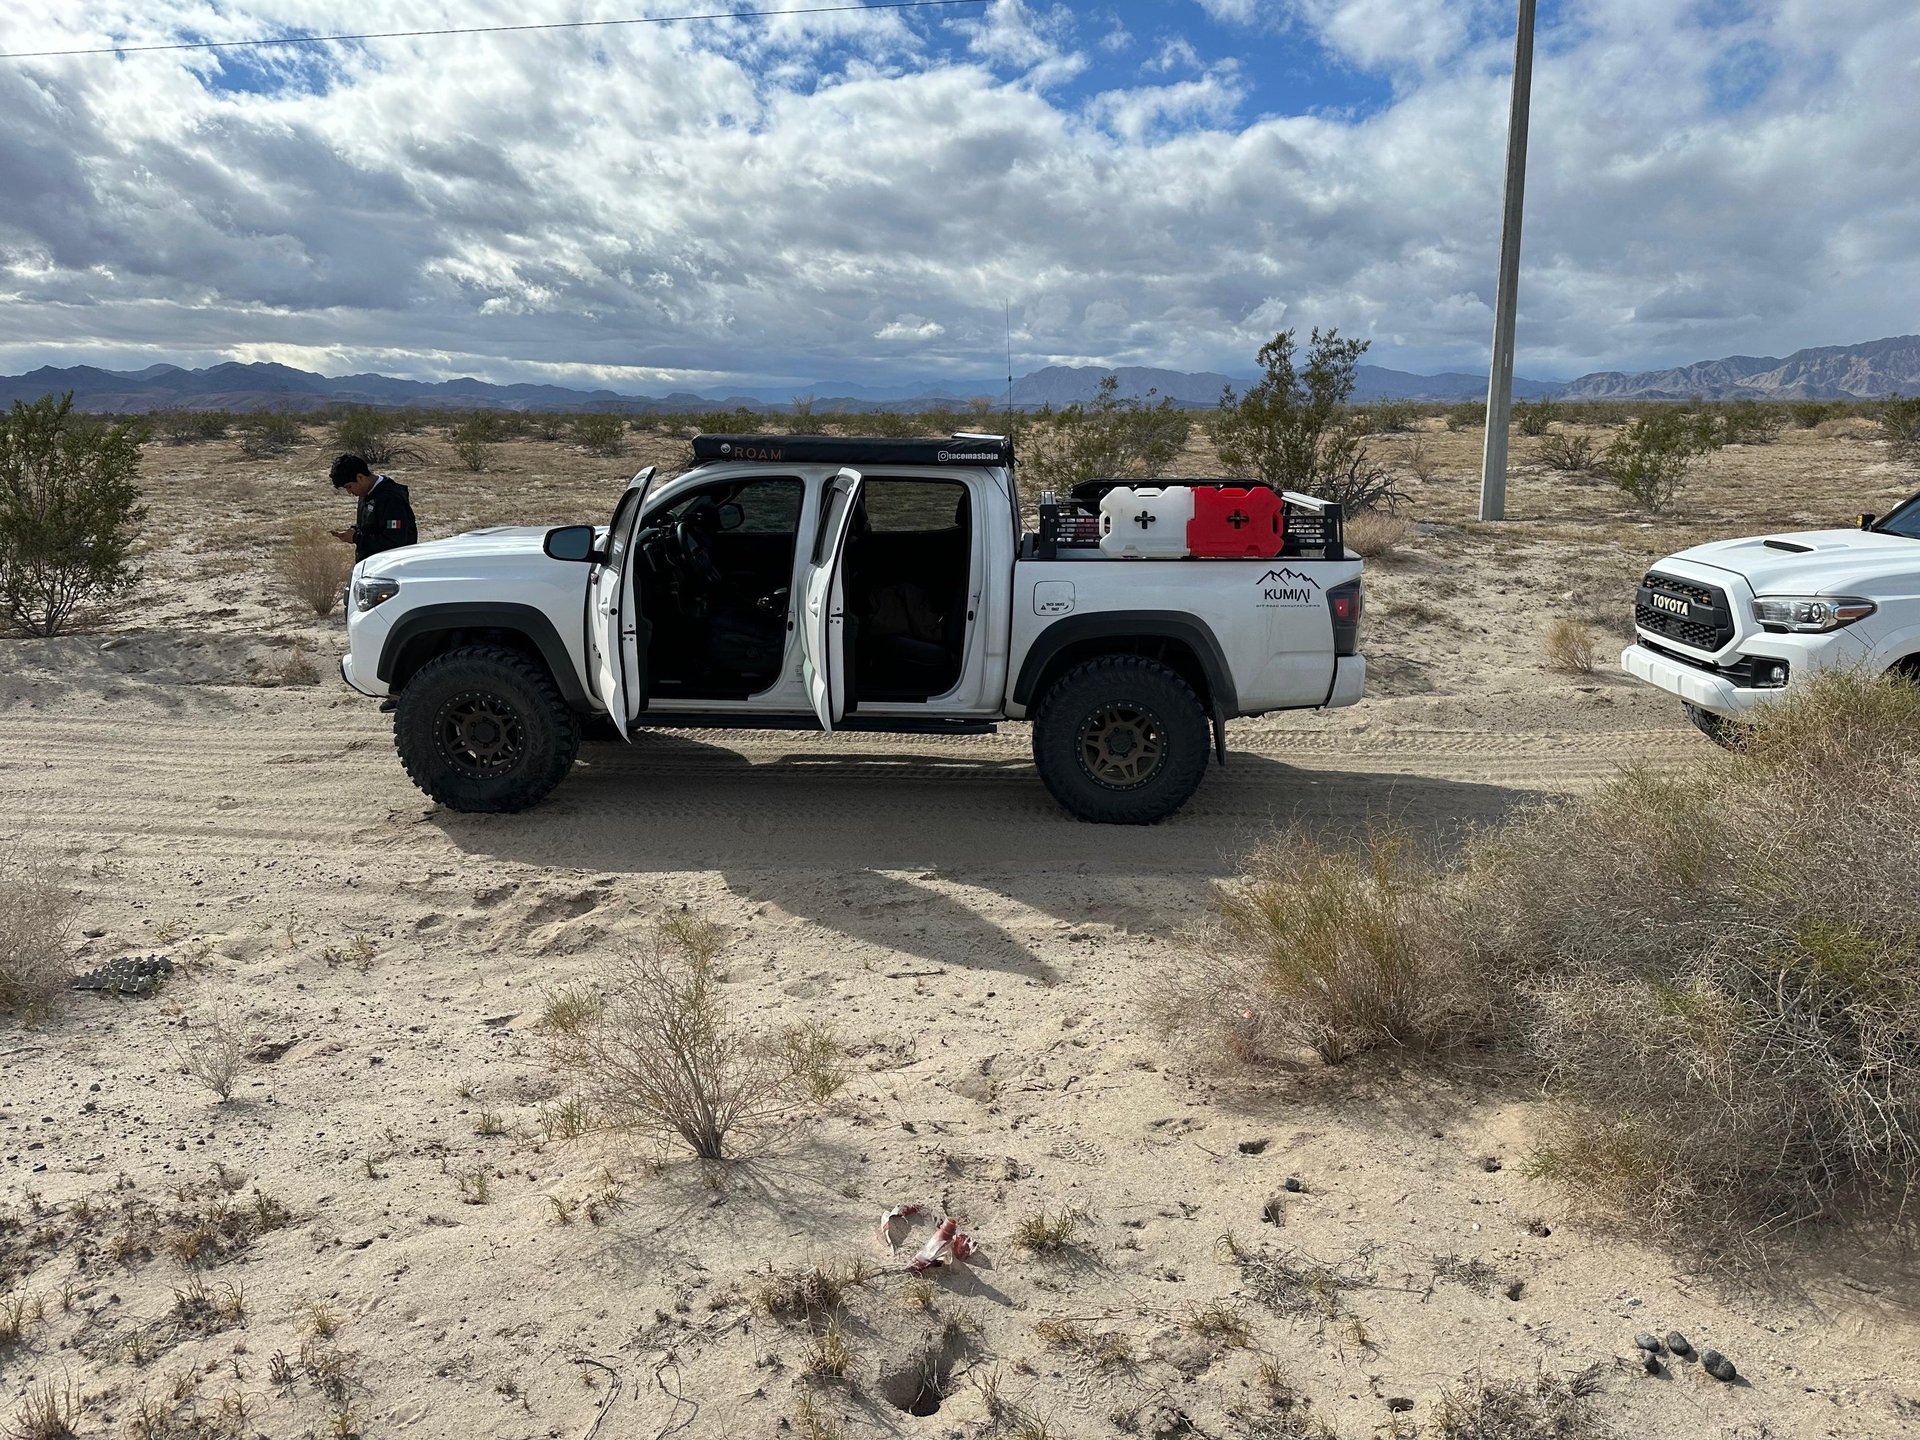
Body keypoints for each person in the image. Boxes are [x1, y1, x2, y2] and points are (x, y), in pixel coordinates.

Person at [329, 453, 418, 562]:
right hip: (371, 565)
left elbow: (395, 541)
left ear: (360, 477)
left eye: (349, 487)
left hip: (389, 566)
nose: (349, 492)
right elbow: (370, 526)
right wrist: (354, 530)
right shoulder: (365, 493)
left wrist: (356, 537)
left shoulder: (391, 499)